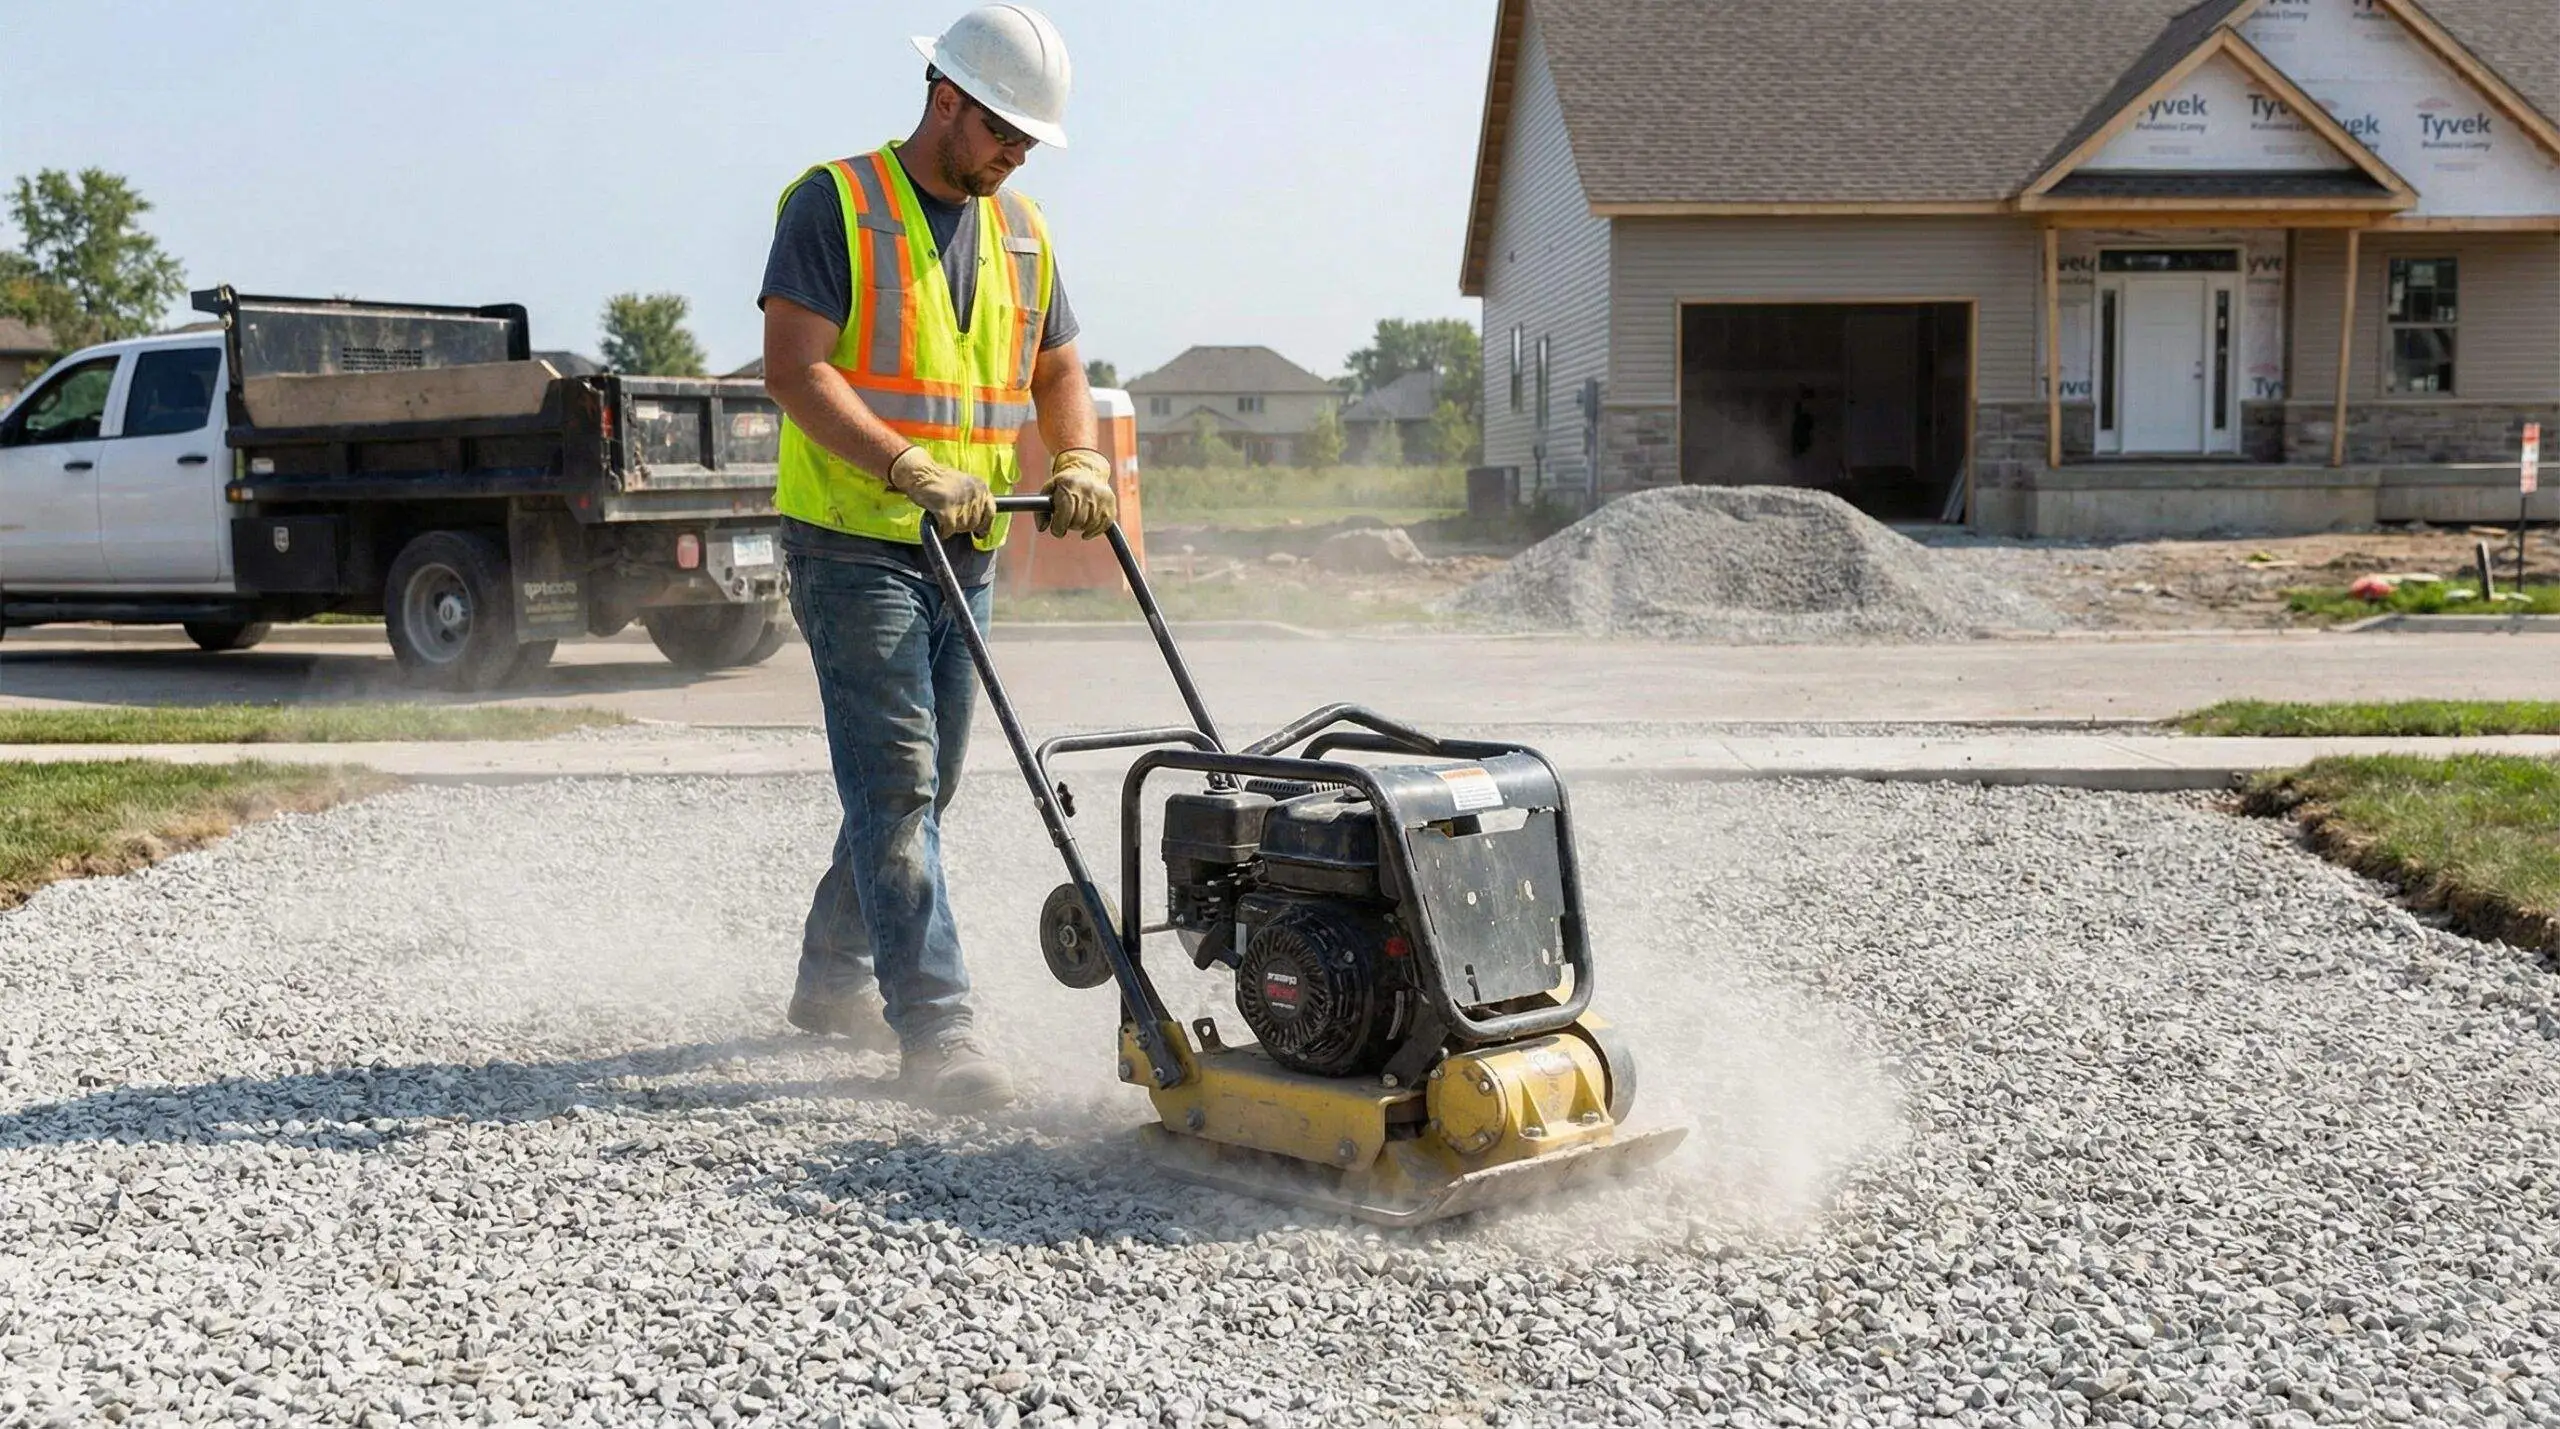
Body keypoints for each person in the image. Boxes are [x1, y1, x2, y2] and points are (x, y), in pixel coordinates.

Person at [758, 3, 1112, 1112]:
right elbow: (793, 370)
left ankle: (829, 980)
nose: (1015, 154)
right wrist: (908, 465)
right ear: (945, 99)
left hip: (968, 547)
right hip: (855, 541)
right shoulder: (835, 204)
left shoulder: (1023, 230)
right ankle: (939, 1030)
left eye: (1029, 142)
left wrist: (1082, 458)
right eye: (1004, 131)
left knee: (920, 785)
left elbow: (1057, 369)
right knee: (902, 784)